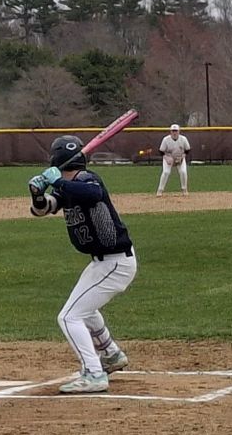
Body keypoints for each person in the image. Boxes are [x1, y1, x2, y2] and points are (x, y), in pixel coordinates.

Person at [28, 135, 137, 393]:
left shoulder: (87, 179)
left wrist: (56, 181)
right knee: (83, 309)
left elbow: (92, 194)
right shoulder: (67, 187)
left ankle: (94, 374)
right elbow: (43, 209)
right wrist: (37, 194)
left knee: (69, 317)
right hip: (103, 263)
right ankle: (111, 354)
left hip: (115, 263)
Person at [156, 123, 191, 195]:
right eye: (173, 131)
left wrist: (182, 158)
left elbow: (187, 150)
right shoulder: (166, 139)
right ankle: (160, 190)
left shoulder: (183, 139)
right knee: (166, 172)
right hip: (168, 158)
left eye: (176, 131)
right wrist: (167, 158)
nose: (174, 133)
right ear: (170, 132)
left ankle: (184, 189)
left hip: (179, 157)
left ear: (179, 131)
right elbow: (161, 151)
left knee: (183, 172)